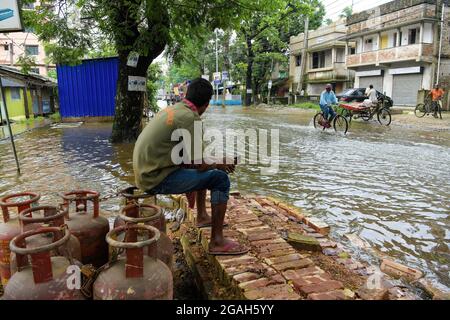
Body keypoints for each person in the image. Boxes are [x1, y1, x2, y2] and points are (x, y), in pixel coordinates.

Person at [133, 78, 248, 256]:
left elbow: (194, 159)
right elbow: (200, 163)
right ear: (207, 103)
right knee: (220, 178)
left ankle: (202, 217)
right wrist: (221, 162)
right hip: (156, 179)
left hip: (147, 173)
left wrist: (215, 161)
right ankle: (217, 241)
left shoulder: (174, 110)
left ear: (187, 95)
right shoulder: (190, 118)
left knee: (209, 169)